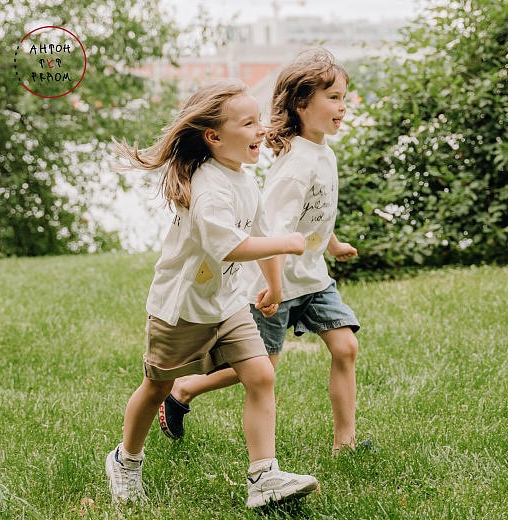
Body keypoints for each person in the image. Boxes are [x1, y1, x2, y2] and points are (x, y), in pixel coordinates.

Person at [105, 78, 319, 510]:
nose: (261, 129)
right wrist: (290, 243)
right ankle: (125, 460)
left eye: (260, 120)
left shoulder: (243, 180)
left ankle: (264, 475)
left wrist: (274, 285)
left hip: (227, 304)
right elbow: (232, 246)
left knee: (260, 375)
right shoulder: (207, 187)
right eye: (249, 123)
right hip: (181, 310)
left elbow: (260, 233)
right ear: (214, 136)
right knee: (156, 386)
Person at [159, 48, 367, 455]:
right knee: (261, 368)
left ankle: (346, 442)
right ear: (301, 104)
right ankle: (185, 387)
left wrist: (334, 243)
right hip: (275, 286)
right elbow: (271, 230)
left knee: (346, 347)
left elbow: (317, 213)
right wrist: (273, 286)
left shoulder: (325, 153)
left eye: (344, 96)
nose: (343, 106)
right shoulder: (293, 165)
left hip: (312, 278)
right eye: (334, 98)